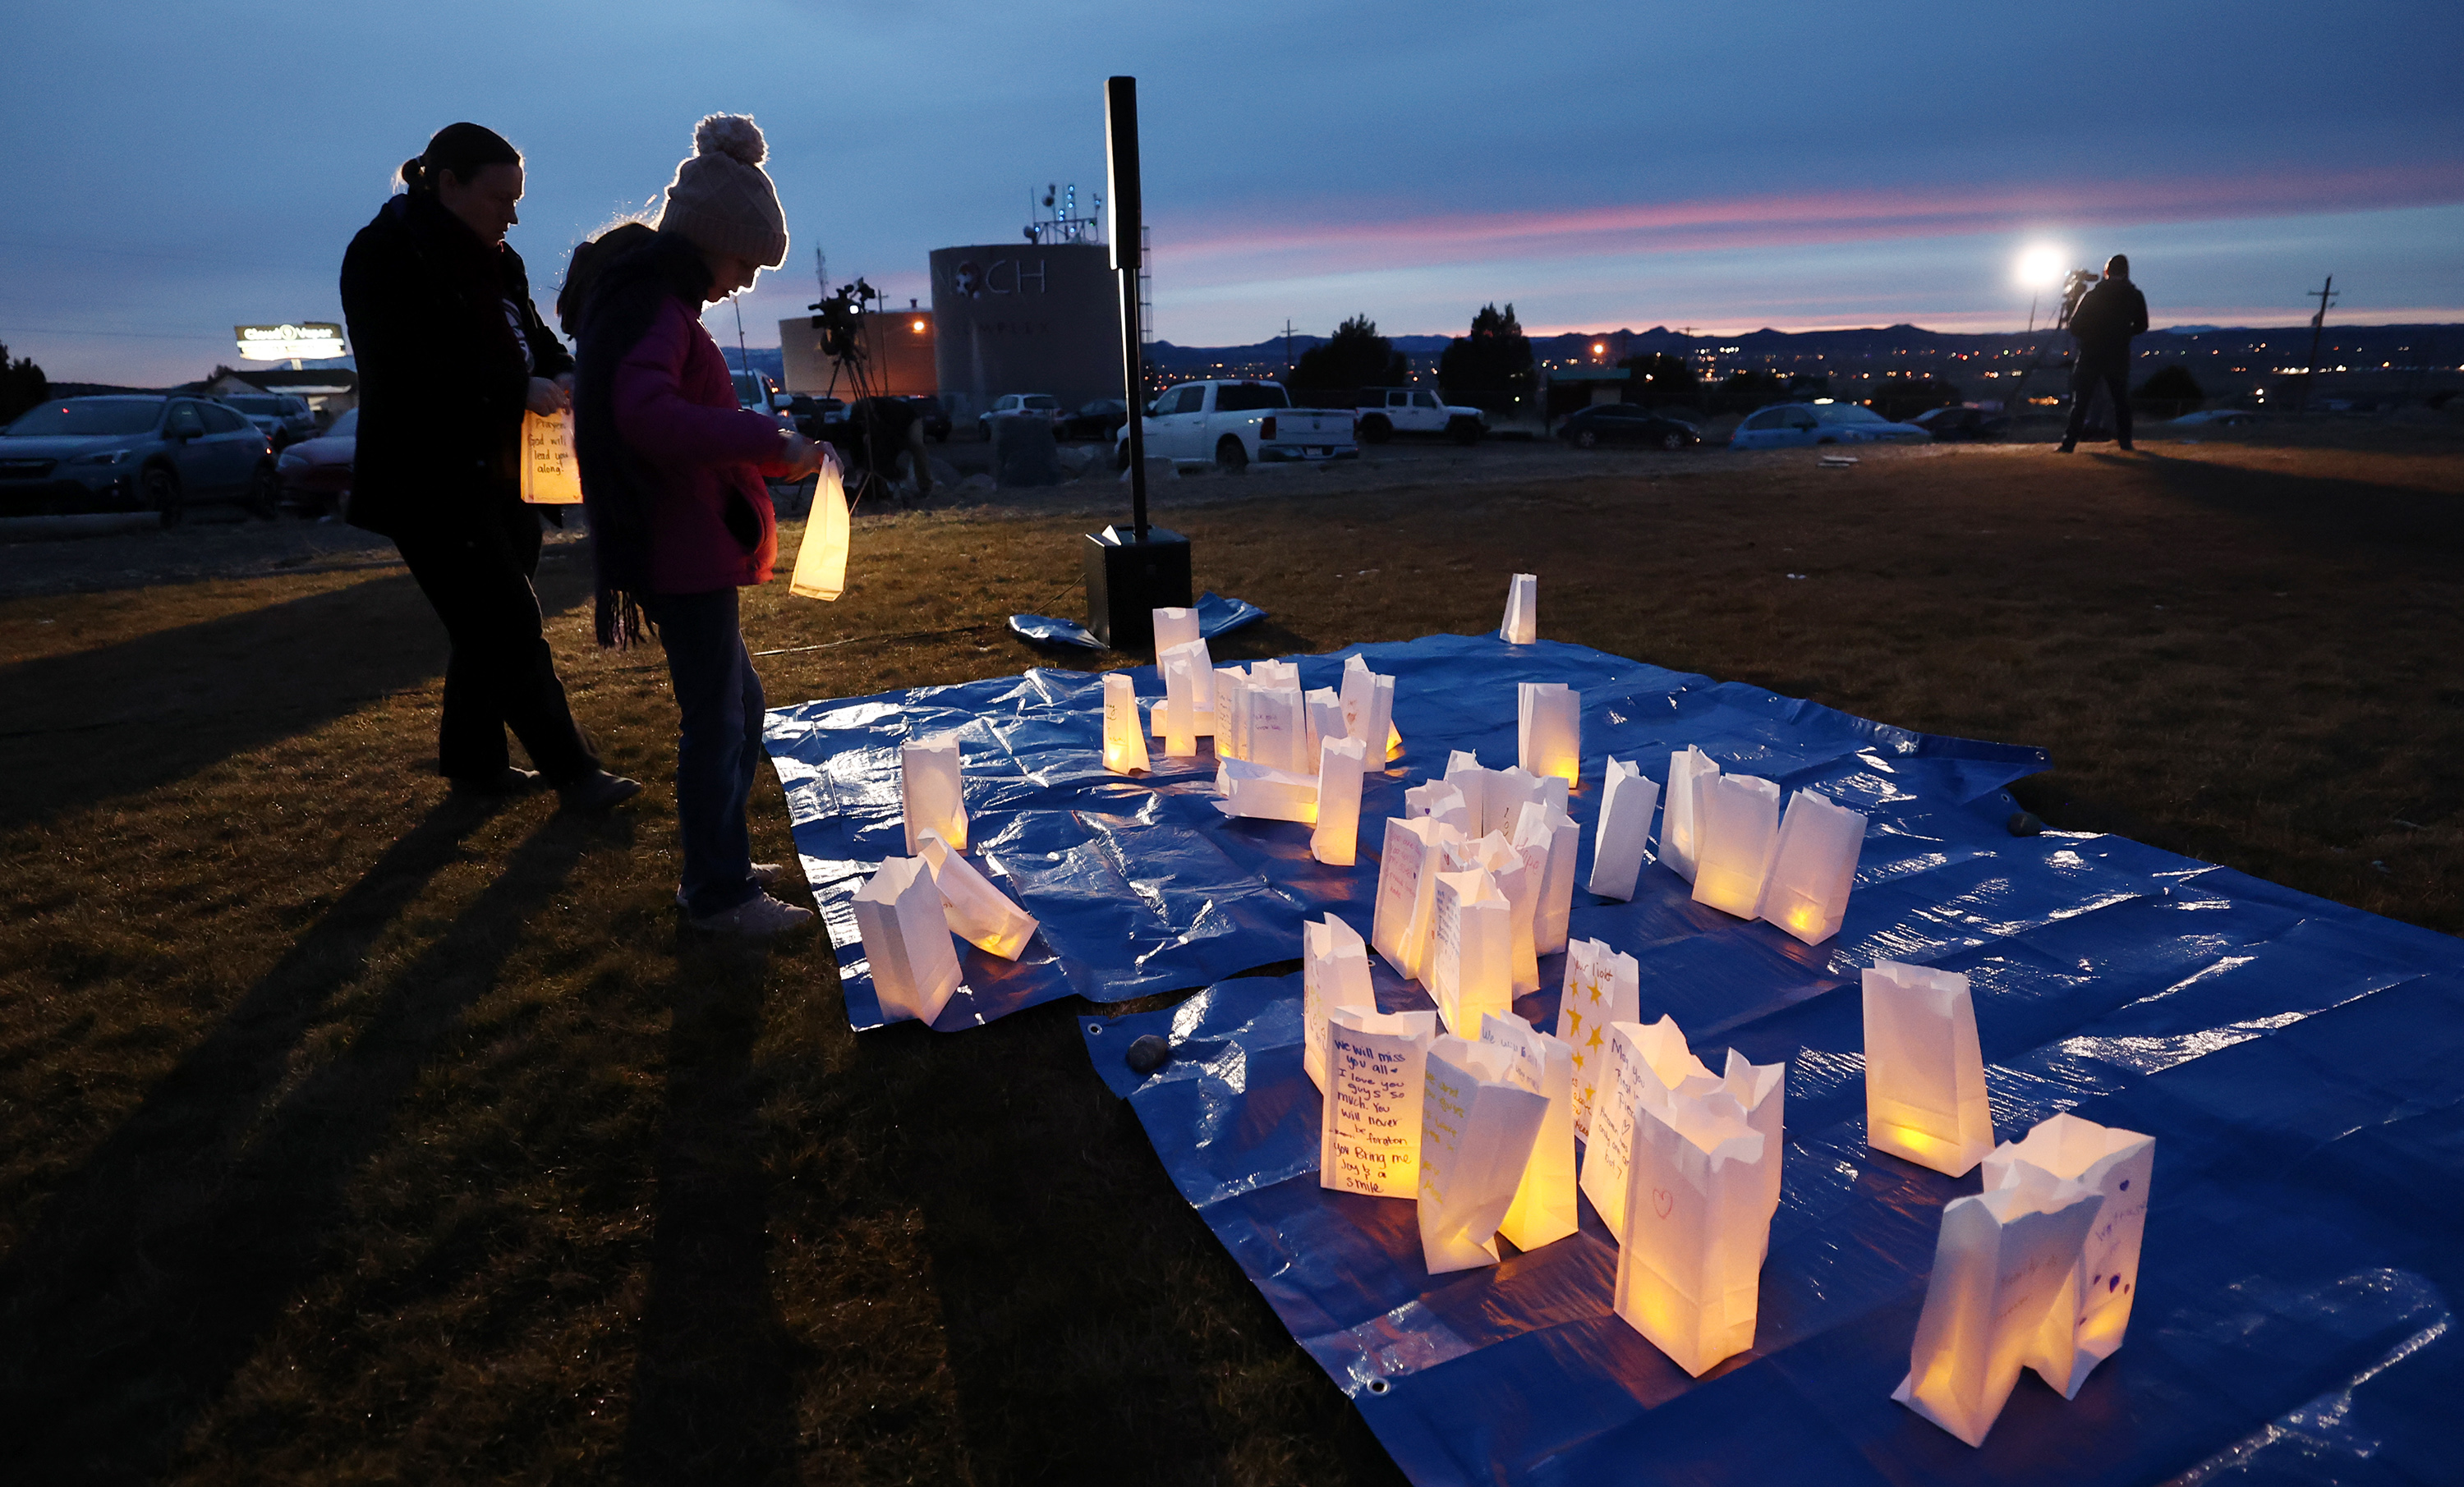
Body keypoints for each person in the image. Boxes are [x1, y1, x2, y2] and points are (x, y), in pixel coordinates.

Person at [569, 115, 826, 936]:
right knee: (716, 717)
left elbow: (668, 409)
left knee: (738, 708)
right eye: (747, 261)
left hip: (687, 542)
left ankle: (719, 861)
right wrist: (767, 439)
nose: (746, 282)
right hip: (684, 549)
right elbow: (649, 415)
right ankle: (716, 893)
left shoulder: (657, 305)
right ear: (714, 238)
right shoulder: (659, 309)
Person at [338, 122, 639, 807]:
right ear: (449, 185)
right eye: (501, 196)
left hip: (503, 475)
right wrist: (513, 390)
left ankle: (474, 763)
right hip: (429, 480)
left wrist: (565, 374)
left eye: (518, 197)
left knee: (485, 624)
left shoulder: (498, 260)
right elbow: (404, 368)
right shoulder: (384, 254)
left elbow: (530, 338)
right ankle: (575, 773)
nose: (513, 213)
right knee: (506, 622)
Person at [2059, 255, 2150, 453]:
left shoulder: (2092, 296)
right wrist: (2123, 334)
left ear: (2106, 272)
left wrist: (2091, 336)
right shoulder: (2134, 295)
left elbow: (2075, 326)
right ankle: (2126, 443)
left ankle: (2069, 443)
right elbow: (2142, 325)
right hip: (2118, 355)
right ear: (2126, 272)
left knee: (2081, 401)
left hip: (2091, 354)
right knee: (2121, 401)